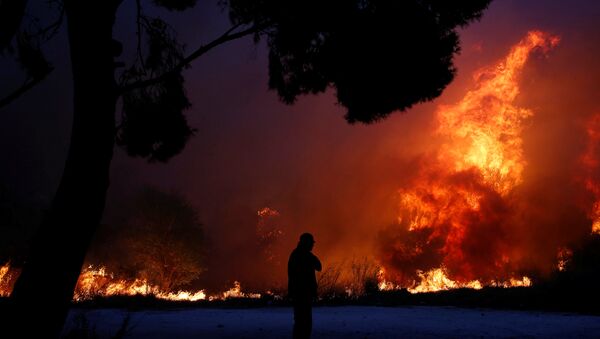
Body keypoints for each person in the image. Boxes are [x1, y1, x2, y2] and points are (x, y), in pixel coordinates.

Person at [288, 232, 322, 339]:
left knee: (300, 322)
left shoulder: (295, 254)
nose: (312, 245)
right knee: (304, 323)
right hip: (302, 294)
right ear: (306, 243)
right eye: (311, 243)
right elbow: (319, 266)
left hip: (299, 294)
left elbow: (318, 267)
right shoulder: (305, 256)